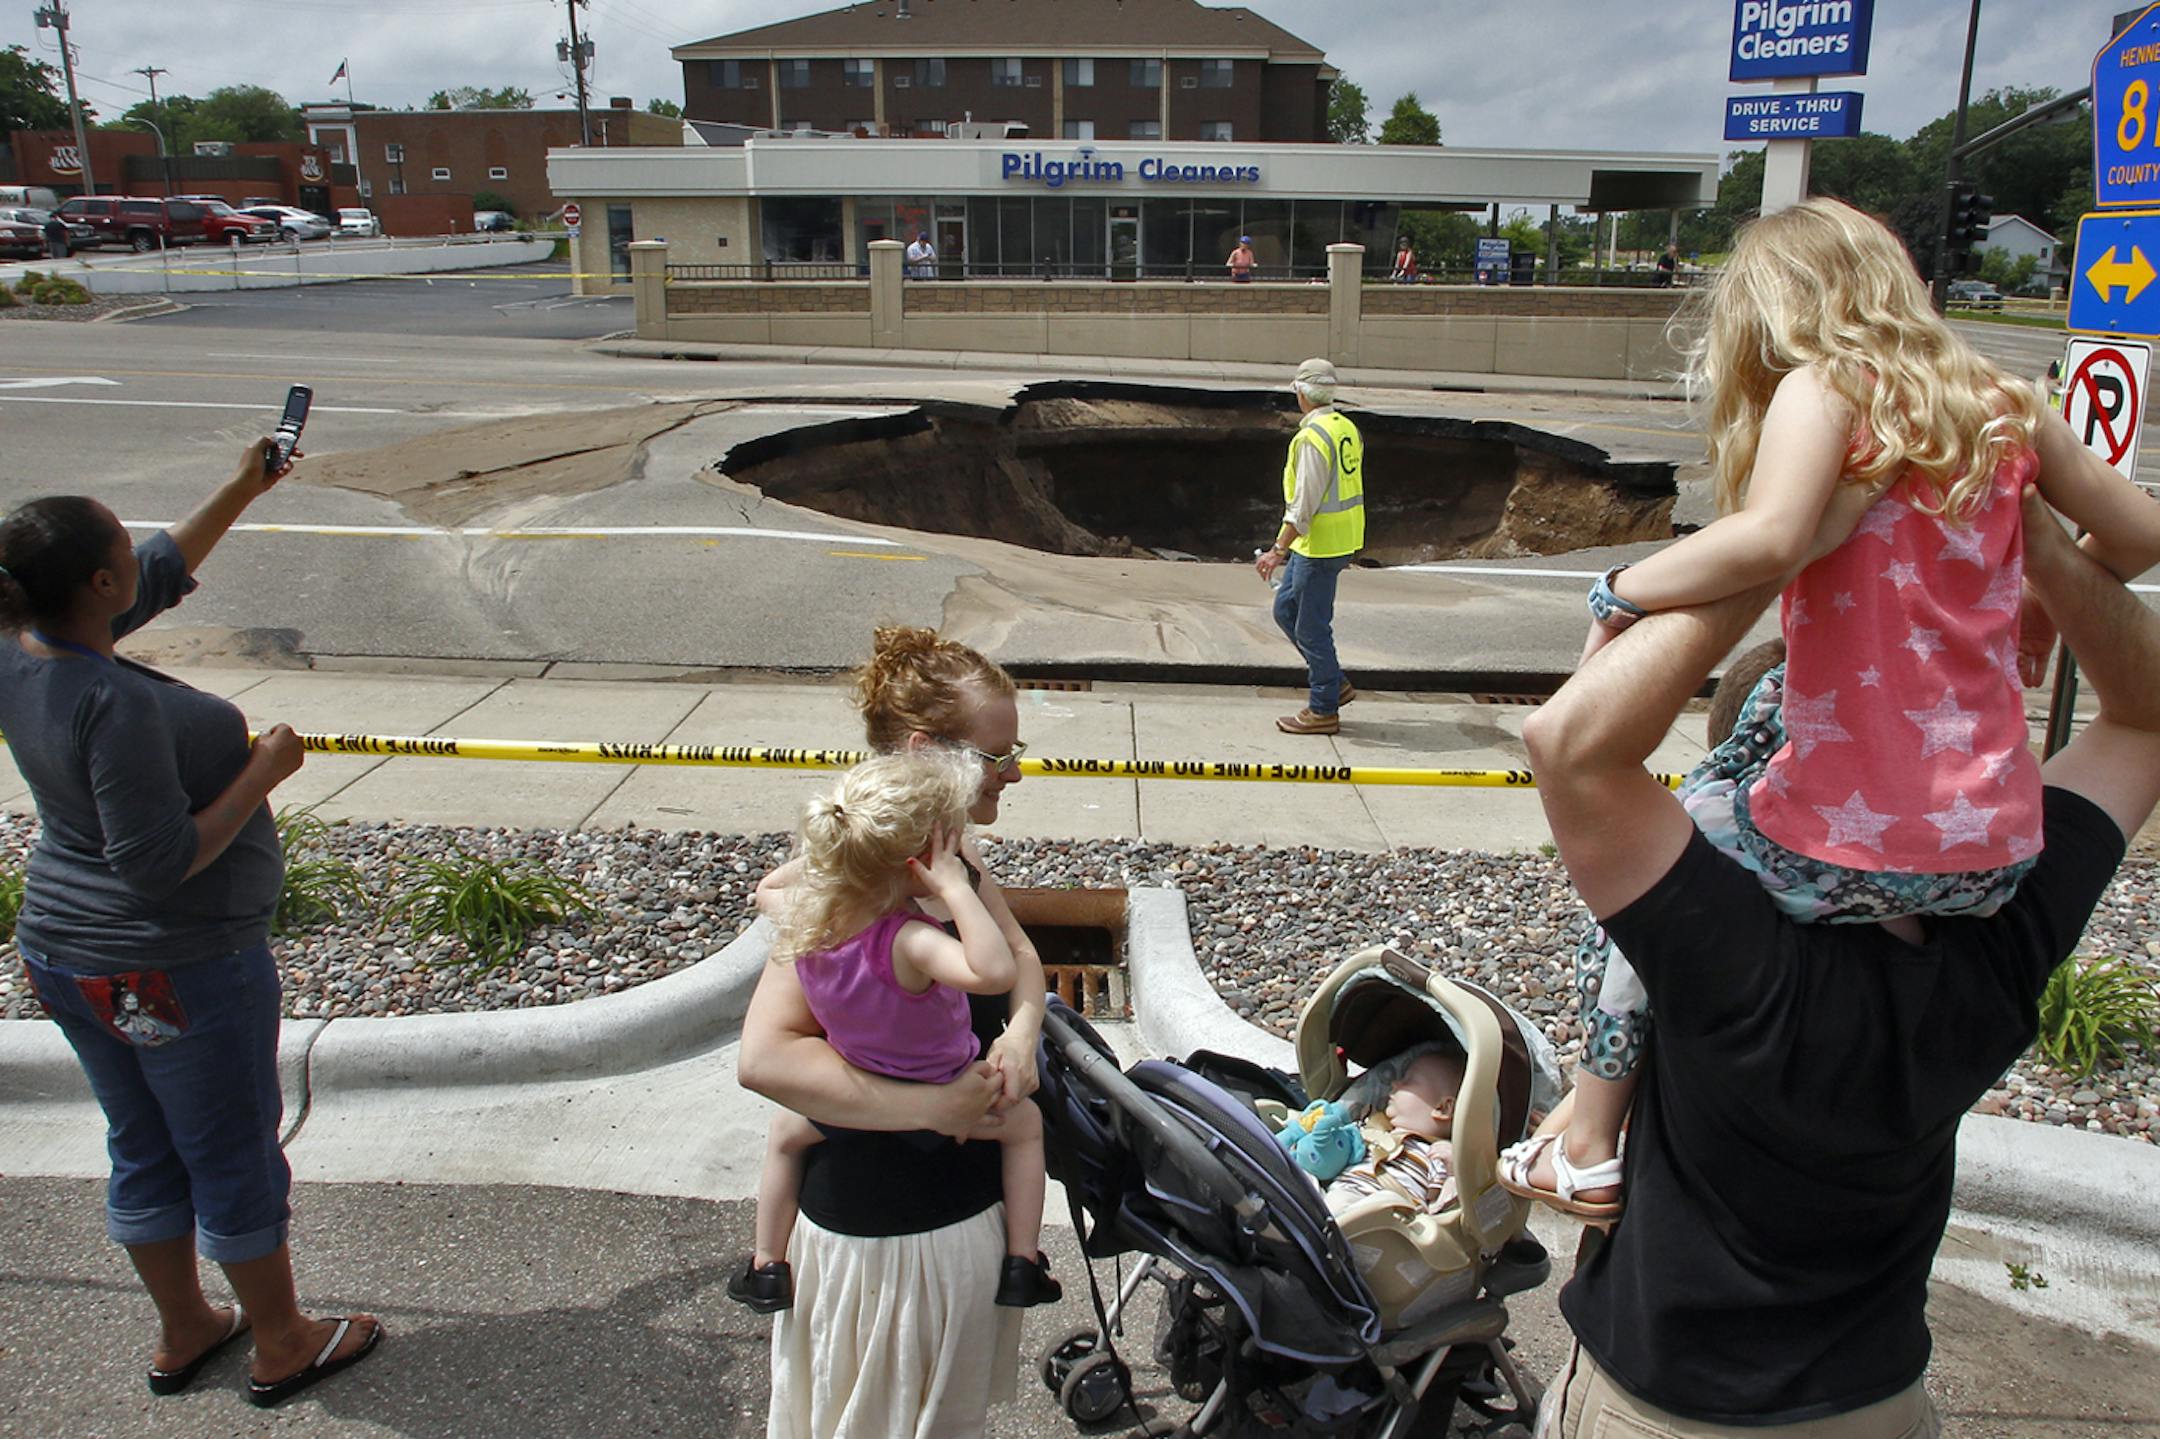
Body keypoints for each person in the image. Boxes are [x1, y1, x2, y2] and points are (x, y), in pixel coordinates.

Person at [1503, 197, 2157, 1218]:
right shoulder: (2006, 402)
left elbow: (1768, 541)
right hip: (1995, 852)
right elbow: (2140, 536)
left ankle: (1588, 1131)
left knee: (1672, 850)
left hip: (1849, 845)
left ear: (1779, 309)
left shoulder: (1831, 385)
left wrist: (1621, 589)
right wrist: (2040, 593)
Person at [1520, 451, 2160, 1434]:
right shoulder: (2004, 930)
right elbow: (2145, 717)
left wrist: (1790, 546)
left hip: (1669, 1406)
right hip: (1877, 1399)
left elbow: (1572, 742)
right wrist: (2044, 552)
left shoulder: (1719, 943)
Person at [0, 439, 386, 1408]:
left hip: (66, 949)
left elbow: (161, 571)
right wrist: (264, 771)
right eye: (121, 541)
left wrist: (243, 486)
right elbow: (158, 860)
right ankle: (283, 1339)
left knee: (142, 1140)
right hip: (168, 965)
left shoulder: (23, 642)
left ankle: (187, 1325)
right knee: (230, 1146)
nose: (141, 547)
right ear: (97, 580)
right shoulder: (112, 702)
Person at [738, 625, 1050, 1439]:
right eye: (997, 752)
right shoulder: (845, 889)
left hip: (958, 1225)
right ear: (926, 751)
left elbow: (1019, 958)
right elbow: (765, 1058)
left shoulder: (958, 868)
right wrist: (935, 1108)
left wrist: (1022, 1031)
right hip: (880, 1246)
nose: (1014, 770)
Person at [732, 751, 1060, 1314]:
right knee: (1025, 1128)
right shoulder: (908, 940)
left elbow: (767, 890)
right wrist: (956, 888)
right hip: (948, 1084)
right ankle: (1023, 1263)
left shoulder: (811, 917)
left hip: (853, 1086)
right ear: (920, 865)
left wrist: (833, 860)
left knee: (786, 1137)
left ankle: (766, 1265)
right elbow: (994, 970)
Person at [1256, 357, 1365, 735]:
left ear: (1302, 394)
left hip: (1319, 545)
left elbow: (1305, 504)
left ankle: (1323, 708)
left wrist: (1277, 550)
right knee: (1285, 609)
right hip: (1332, 541)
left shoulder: (1312, 439)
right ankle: (1334, 682)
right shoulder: (1345, 428)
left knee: (1311, 628)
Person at [1323, 1044, 1462, 1218]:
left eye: (1409, 1080)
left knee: (1342, 1205)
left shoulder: (1437, 1153)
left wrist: (1454, 1172)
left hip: (1384, 1214)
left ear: (1442, 1108)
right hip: (1335, 1193)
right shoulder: (1373, 1127)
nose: (1395, 1083)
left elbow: (1443, 1209)